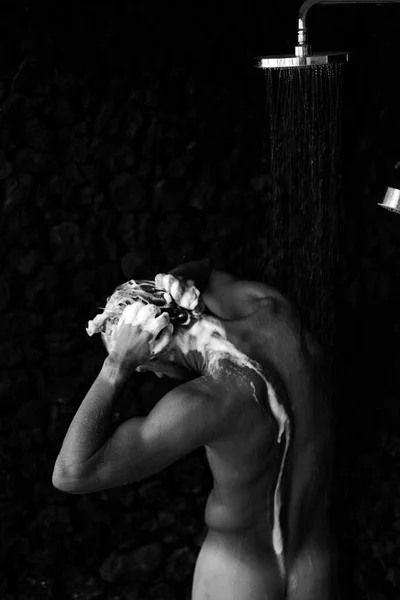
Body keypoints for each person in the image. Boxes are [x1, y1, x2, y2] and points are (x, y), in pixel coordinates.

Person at [52, 259, 336, 600]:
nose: (155, 375)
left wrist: (116, 367)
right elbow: (211, 269)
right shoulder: (269, 307)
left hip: (240, 573)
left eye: (145, 366)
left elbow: (70, 474)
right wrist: (175, 281)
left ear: (154, 347)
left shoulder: (203, 403)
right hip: (313, 560)